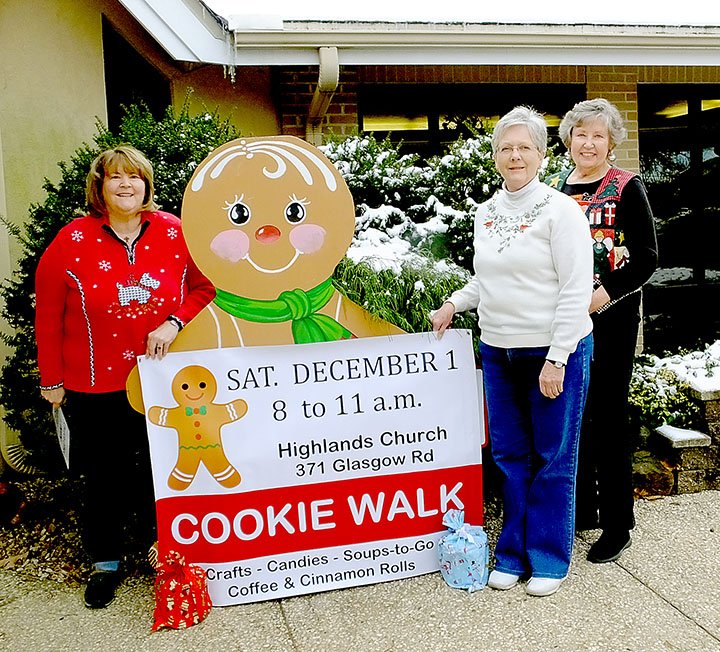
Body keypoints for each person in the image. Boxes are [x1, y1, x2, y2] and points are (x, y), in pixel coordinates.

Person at [35, 145, 215, 609]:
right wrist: (51, 378)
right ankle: (106, 562)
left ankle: (169, 554)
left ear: (146, 185)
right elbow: (49, 312)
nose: (125, 184)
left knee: (165, 472)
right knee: (103, 476)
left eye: (134, 177)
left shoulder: (173, 232)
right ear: (100, 187)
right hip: (94, 384)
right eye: (115, 177)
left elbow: (205, 287)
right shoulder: (72, 239)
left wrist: (174, 322)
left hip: (163, 381)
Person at [431, 106, 593, 597]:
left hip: (551, 352)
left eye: (525, 147)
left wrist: (558, 356)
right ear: (496, 156)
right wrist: (454, 303)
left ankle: (548, 558)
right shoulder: (487, 212)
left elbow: (575, 288)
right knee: (509, 456)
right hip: (498, 352)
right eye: (506, 147)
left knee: (552, 458)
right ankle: (512, 555)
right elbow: (488, 279)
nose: (515, 155)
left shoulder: (561, 211)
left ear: (542, 156)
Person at [549, 98, 658, 563]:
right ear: (569, 139)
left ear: (612, 142)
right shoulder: (555, 188)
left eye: (598, 135)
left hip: (610, 321)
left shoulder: (626, 187)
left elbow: (648, 259)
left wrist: (603, 295)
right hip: (563, 322)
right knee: (575, 416)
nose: (588, 142)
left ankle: (618, 524)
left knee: (609, 418)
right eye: (580, 134)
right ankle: (584, 510)